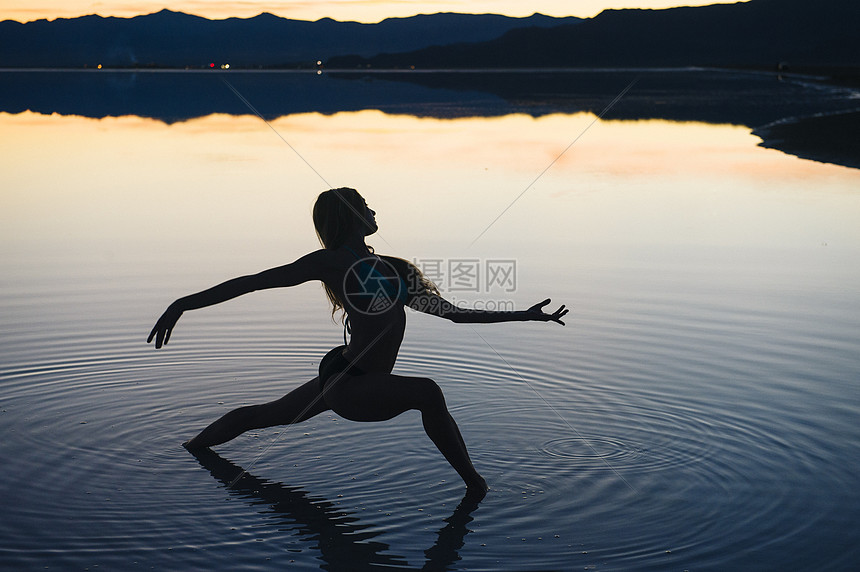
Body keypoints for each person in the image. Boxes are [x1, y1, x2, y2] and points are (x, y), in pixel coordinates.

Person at [148, 187, 567, 495]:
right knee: (428, 392)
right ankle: (476, 487)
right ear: (350, 217)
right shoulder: (332, 262)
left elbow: (452, 314)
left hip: (345, 375)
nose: (372, 209)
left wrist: (523, 315)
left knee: (266, 415)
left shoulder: (392, 268)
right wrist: (183, 303)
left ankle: (191, 448)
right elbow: (255, 282)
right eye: (364, 205)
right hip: (350, 383)